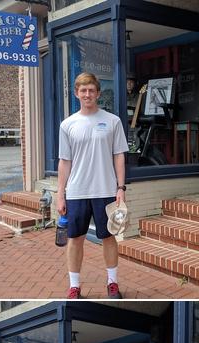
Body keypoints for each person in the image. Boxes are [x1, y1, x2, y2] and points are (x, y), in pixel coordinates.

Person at [57, 72, 130, 299]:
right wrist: (61, 194)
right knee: (75, 239)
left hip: (106, 189)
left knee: (108, 238)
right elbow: (64, 162)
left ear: (98, 93)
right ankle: (74, 286)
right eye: (83, 90)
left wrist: (121, 188)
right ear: (77, 93)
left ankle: (112, 283)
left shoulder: (112, 121)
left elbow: (119, 156)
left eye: (91, 90)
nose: (87, 94)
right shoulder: (68, 124)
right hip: (77, 191)